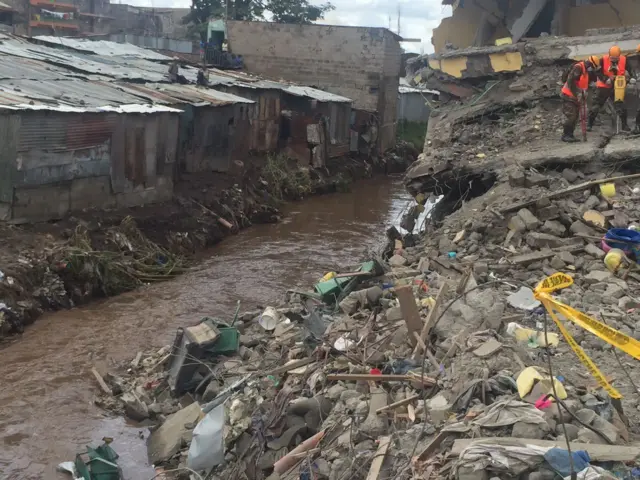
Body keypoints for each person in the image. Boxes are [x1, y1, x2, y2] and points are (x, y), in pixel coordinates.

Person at [588, 46, 630, 131]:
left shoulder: (625, 60)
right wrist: (605, 79)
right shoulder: (602, 60)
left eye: (616, 59)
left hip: (618, 87)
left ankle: (624, 125)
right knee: (596, 105)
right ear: (609, 55)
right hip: (604, 87)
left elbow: (629, 72)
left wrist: (628, 78)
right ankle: (589, 124)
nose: (613, 60)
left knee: (621, 105)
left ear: (619, 56)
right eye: (612, 58)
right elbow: (597, 71)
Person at [561, 55, 600, 142]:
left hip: (574, 96)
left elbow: (581, 84)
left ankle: (570, 135)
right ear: (590, 65)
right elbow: (571, 82)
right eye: (593, 67)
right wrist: (579, 93)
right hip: (568, 95)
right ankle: (566, 135)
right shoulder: (578, 67)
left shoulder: (584, 70)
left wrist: (583, 93)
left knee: (574, 116)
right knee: (570, 115)